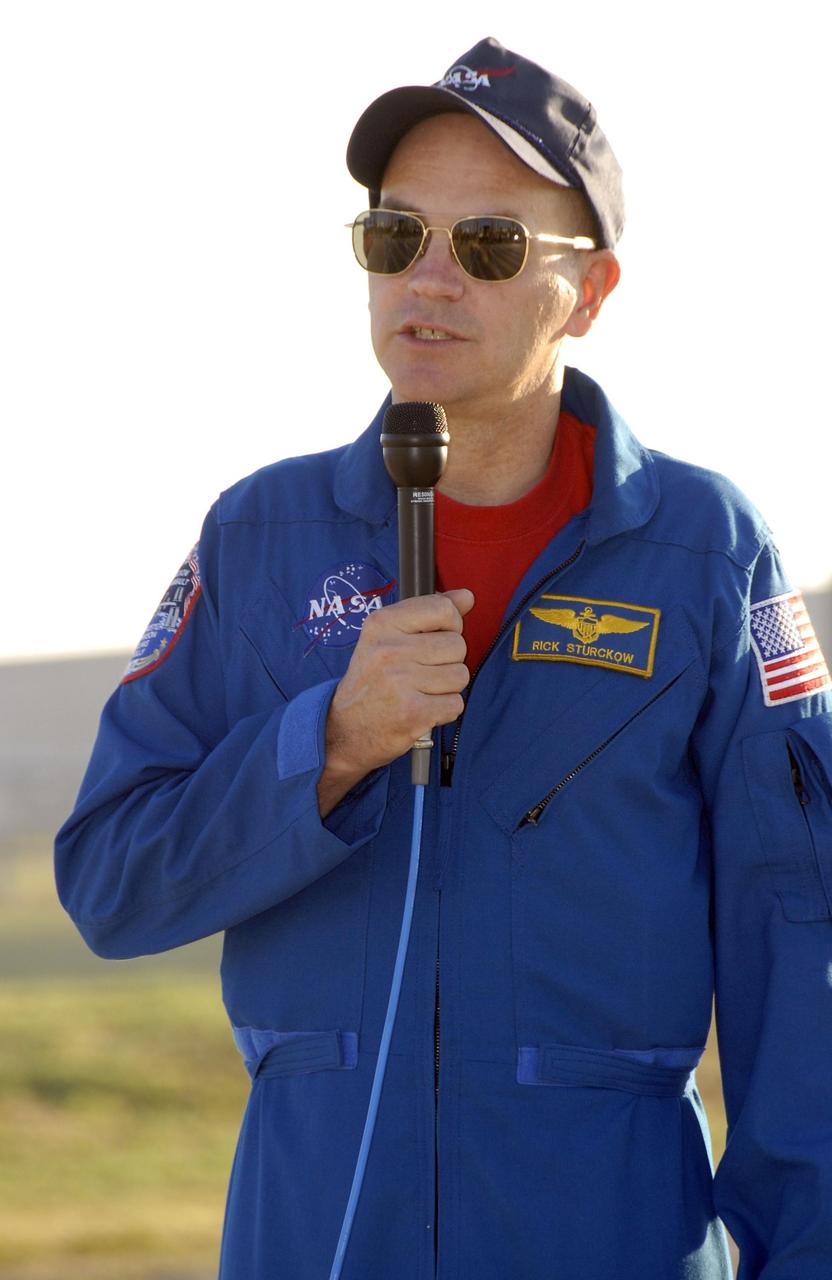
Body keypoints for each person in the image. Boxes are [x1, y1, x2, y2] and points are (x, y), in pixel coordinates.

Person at [55, 36, 832, 1280]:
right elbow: (109, 882)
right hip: (313, 1232)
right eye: (394, 236)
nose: (428, 278)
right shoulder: (258, 537)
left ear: (589, 293)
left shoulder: (701, 550)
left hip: (607, 1234)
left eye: (488, 247)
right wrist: (331, 744)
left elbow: (801, 950)